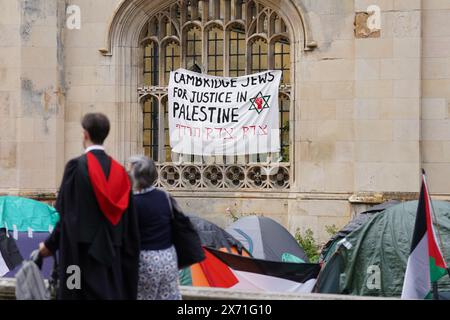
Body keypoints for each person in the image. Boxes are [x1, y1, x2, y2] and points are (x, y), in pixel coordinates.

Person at [39, 113, 140, 300]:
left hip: (77, 260)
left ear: (85, 134)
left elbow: (66, 217)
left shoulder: (76, 168)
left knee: (74, 295)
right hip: (111, 260)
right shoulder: (122, 174)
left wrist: (49, 245)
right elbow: (130, 228)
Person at [128, 155, 181, 300]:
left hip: (146, 261)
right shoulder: (165, 196)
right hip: (168, 258)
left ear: (136, 177)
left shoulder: (132, 202)